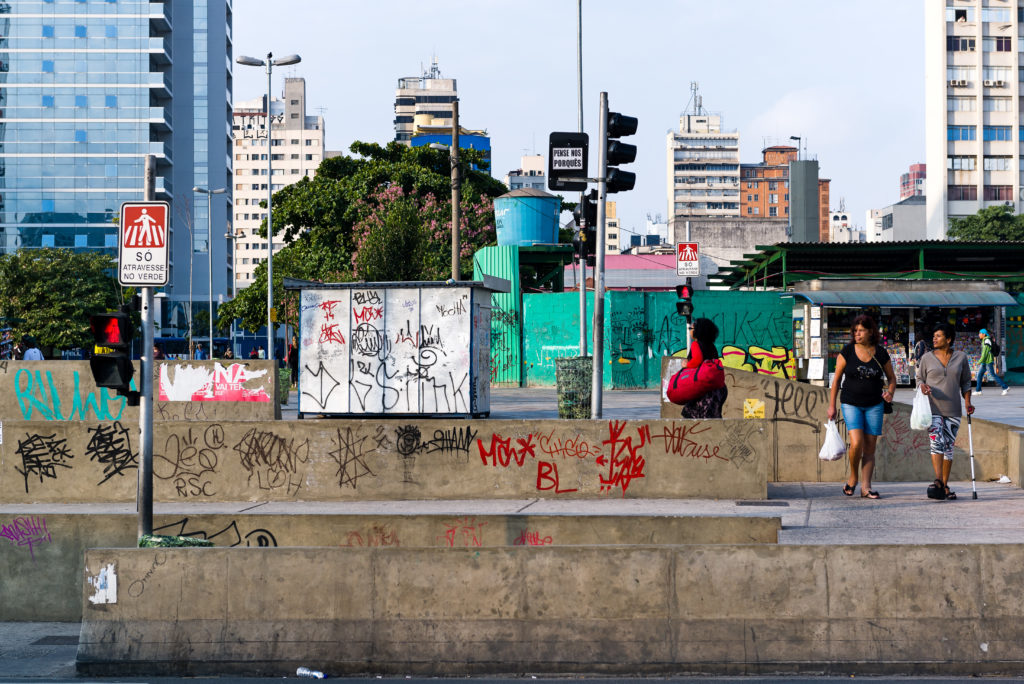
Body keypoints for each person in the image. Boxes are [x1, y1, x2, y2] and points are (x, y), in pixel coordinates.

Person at [827, 314, 897, 499]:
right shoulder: (848, 351)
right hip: (851, 403)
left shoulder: (881, 353)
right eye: (855, 331)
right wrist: (832, 406)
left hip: (875, 405)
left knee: (870, 448)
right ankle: (853, 477)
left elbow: (892, 379)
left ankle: (866, 487)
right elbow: (836, 382)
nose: (857, 334)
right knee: (856, 442)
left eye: (861, 330)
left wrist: (890, 392)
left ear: (871, 331)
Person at [918, 323, 975, 500]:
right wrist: (922, 386)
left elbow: (966, 382)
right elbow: (920, 378)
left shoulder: (961, 357)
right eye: (934, 336)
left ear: (948, 339)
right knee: (937, 444)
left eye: (939, 336)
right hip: (932, 408)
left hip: (953, 409)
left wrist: (967, 402)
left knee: (948, 447)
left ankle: (944, 484)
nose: (934, 338)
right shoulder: (927, 358)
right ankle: (939, 482)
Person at [679, 317, 727, 419]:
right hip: (717, 389)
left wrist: (686, 365)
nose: (689, 331)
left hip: (704, 389)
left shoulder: (696, 344)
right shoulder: (712, 346)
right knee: (713, 418)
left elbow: (697, 360)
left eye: (690, 329)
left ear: (697, 331)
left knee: (691, 417)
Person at [975, 328, 1009, 396]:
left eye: (980, 333)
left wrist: (980, 361)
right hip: (985, 361)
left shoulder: (987, 340)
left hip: (988, 361)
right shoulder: (985, 340)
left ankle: (1005, 387)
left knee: (993, 375)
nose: (979, 335)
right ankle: (978, 390)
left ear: (983, 334)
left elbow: (985, 353)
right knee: (979, 375)